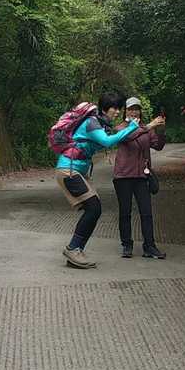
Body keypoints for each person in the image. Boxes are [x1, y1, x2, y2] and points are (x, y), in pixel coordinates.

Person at [55, 92, 140, 269]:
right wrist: (132, 127)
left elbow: (106, 139)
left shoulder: (100, 123)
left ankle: (75, 250)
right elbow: (107, 142)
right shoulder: (91, 122)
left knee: (94, 209)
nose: (117, 111)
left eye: (119, 108)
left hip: (77, 171)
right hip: (69, 170)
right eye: (114, 108)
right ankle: (73, 249)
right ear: (105, 108)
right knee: (94, 208)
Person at [113, 97, 167, 259]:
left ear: (140, 111)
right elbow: (128, 137)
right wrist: (149, 126)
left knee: (146, 212)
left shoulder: (147, 129)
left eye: (136, 109)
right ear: (125, 111)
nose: (134, 112)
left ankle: (149, 246)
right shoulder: (120, 128)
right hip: (123, 176)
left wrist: (161, 130)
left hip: (142, 176)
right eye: (131, 109)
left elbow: (158, 146)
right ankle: (127, 245)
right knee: (125, 212)